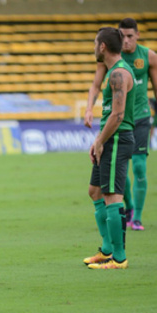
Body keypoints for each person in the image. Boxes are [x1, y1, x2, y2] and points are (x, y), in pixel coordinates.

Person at [85, 18, 157, 231]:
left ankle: (136, 218)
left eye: (129, 36)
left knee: (138, 166)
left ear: (137, 36)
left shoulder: (147, 57)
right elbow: (95, 85)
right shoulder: (111, 60)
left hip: (139, 118)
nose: (125, 40)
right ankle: (130, 207)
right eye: (122, 36)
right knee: (116, 177)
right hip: (119, 123)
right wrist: (89, 108)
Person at [83, 27, 136, 269]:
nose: (94, 47)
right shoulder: (114, 72)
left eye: (95, 43)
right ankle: (106, 250)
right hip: (107, 138)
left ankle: (119, 257)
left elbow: (118, 115)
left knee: (112, 195)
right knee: (95, 191)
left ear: (102, 46)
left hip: (116, 139)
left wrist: (101, 141)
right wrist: (98, 141)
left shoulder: (119, 74)